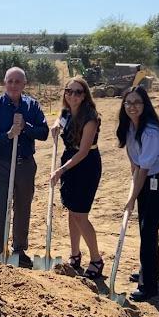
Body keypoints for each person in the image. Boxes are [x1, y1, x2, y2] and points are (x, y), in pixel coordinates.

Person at [0, 67, 49, 268]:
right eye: (10, 81)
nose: (13, 85)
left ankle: (19, 250)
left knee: (23, 208)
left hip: (26, 164)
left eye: (17, 81)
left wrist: (25, 128)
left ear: (24, 84)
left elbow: (43, 132)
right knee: (2, 207)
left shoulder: (32, 106)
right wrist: (8, 135)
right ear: (4, 83)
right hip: (2, 164)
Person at [116, 86, 159, 302]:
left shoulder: (150, 130)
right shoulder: (130, 128)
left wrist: (131, 199)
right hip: (145, 178)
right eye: (128, 103)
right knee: (146, 228)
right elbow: (135, 164)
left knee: (148, 229)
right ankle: (147, 269)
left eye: (137, 103)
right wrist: (133, 190)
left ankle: (149, 285)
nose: (133, 107)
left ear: (145, 104)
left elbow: (145, 168)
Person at [50, 77, 103, 279]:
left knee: (80, 214)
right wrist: (55, 126)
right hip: (70, 162)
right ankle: (75, 253)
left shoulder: (91, 118)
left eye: (78, 92)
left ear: (85, 95)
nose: (73, 95)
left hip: (86, 165)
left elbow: (82, 152)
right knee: (72, 212)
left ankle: (96, 259)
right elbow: (60, 119)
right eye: (69, 91)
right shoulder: (65, 111)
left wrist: (60, 171)